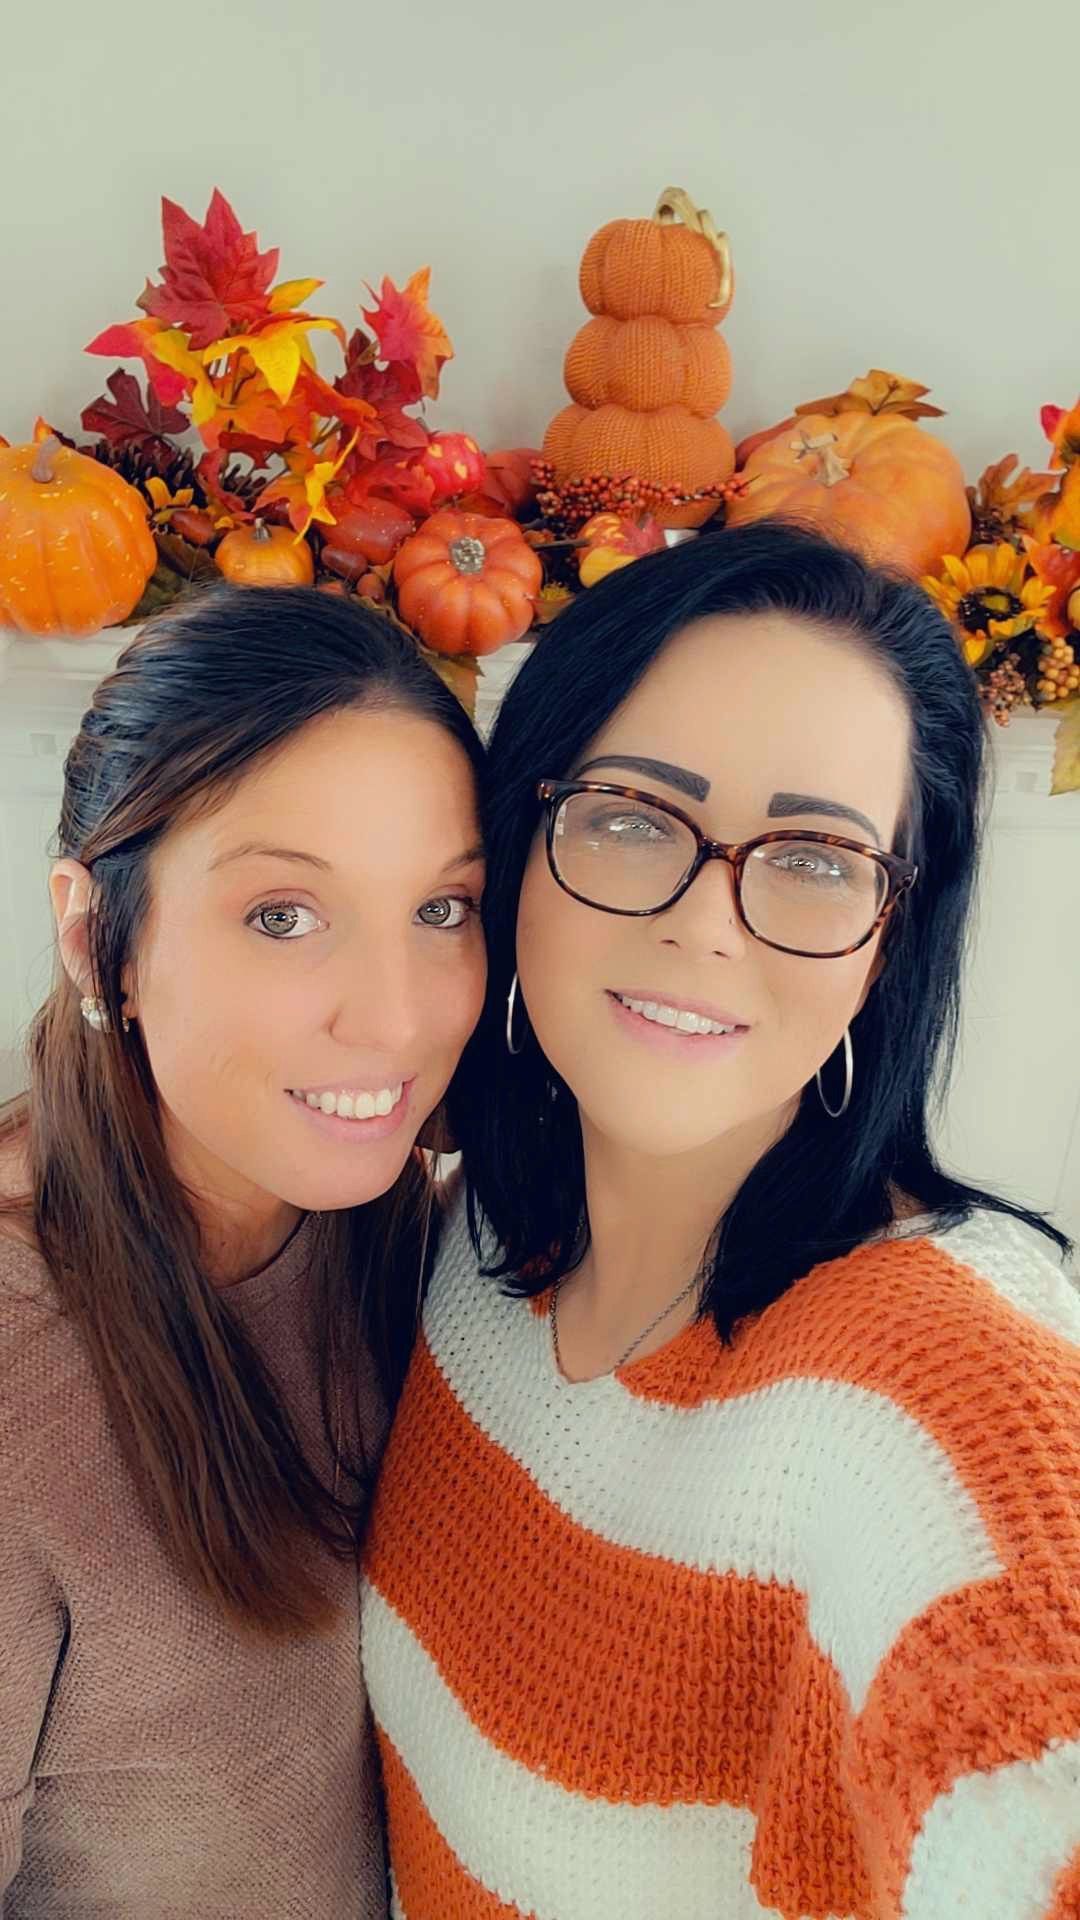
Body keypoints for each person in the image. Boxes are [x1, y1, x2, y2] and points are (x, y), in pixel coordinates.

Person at [362, 522, 1080, 1920]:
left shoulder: (940, 1376)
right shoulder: (464, 1230)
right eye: (634, 817)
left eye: (814, 856)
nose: (708, 922)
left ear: (892, 936)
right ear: (521, 848)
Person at [0, 586, 486, 1918]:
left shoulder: (388, 1220)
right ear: (101, 936)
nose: (391, 1020)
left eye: (444, 909)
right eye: (283, 914)